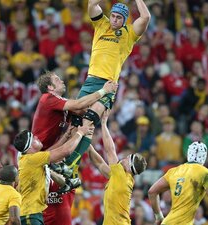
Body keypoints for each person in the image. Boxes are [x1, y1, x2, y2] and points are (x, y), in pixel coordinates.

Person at [62, 0, 151, 178]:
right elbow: (92, 5)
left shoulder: (129, 33)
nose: (115, 20)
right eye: (113, 16)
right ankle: (67, 162)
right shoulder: (101, 24)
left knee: (89, 122)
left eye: (119, 18)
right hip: (90, 81)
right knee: (76, 123)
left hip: (107, 85)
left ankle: (70, 165)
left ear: (124, 20)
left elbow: (146, 16)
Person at [31, 71, 117, 225]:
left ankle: (67, 171)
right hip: (37, 156)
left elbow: (83, 111)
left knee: (84, 125)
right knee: (83, 129)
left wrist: (104, 107)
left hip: (51, 154)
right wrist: (104, 91)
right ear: (50, 87)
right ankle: (67, 172)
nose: (62, 80)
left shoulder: (60, 102)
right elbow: (78, 105)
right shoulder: (47, 98)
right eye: (57, 79)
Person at [12, 122, 93, 225]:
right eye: (34, 138)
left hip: (32, 213)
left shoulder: (30, 159)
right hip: (29, 214)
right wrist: (80, 133)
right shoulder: (33, 159)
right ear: (30, 147)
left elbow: (51, 151)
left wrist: (65, 136)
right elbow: (65, 151)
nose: (37, 137)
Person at [88, 110, 147, 224]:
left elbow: (110, 150)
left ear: (130, 167)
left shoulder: (122, 176)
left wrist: (104, 123)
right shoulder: (123, 179)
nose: (123, 158)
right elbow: (100, 164)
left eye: (127, 158)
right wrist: (88, 146)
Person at [148, 141, 208, 225]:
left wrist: (159, 216)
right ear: (204, 156)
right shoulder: (205, 173)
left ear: (188, 153)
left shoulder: (174, 171)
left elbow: (152, 192)